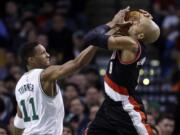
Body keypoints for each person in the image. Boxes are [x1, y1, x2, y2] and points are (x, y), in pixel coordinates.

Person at [13, 7, 132, 135]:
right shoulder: (45, 74)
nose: (47, 55)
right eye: (42, 53)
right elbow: (78, 63)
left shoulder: (19, 85)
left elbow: (18, 124)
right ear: (30, 60)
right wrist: (104, 34)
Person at [85, 9, 160, 135]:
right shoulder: (130, 41)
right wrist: (138, 17)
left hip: (125, 106)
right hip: (110, 103)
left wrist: (113, 22)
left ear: (140, 35)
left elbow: (91, 37)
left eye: (136, 23)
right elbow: (122, 27)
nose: (132, 22)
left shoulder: (131, 43)